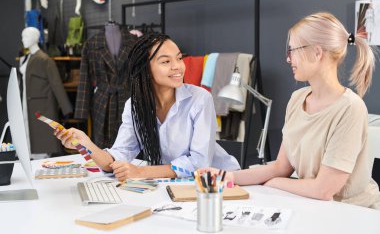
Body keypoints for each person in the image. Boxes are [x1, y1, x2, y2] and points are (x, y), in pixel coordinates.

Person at [199, 12, 380, 210]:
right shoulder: (297, 99)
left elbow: (323, 190)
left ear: (317, 53)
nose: (288, 58)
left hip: (353, 213)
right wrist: (228, 176)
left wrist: (274, 183)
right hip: (313, 206)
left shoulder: (350, 108)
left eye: (293, 50)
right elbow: (281, 167)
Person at [56, 33, 240, 180]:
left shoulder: (200, 99)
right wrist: (85, 144)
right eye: (166, 61)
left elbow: (199, 162)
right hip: (178, 184)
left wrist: (141, 172)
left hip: (220, 182)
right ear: (145, 69)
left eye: (179, 58)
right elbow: (119, 155)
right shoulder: (134, 106)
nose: (178, 67)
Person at [19, 27, 72, 156]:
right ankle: (30, 154)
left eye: (26, 36)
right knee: (27, 129)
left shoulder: (44, 59)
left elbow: (56, 84)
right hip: (27, 101)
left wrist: (67, 109)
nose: (23, 39)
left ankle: (40, 157)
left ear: (35, 38)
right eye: (22, 36)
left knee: (41, 136)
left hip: (42, 105)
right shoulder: (26, 58)